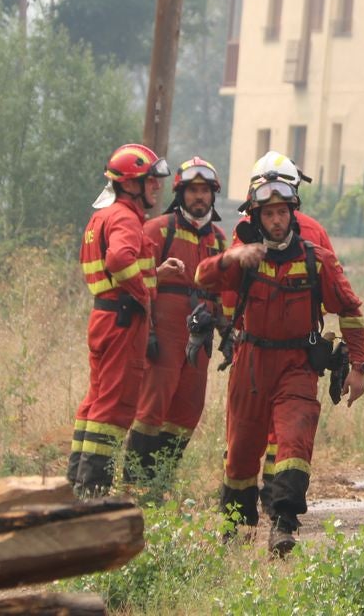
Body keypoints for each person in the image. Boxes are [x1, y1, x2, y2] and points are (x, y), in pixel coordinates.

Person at [196, 168, 364, 557]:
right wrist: (232, 257)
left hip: (297, 365)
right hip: (251, 365)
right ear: (257, 218)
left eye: (283, 213)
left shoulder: (316, 261)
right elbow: (201, 277)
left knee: (294, 441)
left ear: (293, 214)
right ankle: (236, 530)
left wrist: (359, 366)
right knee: (241, 453)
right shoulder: (245, 261)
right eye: (268, 214)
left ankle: (284, 523)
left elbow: (350, 310)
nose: (277, 221)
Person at [69, 143, 182, 497]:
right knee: (115, 404)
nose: (157, 187)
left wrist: (154, 274)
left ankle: (76, 481)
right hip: (122, 320)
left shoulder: (101, 216)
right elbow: (119, 260)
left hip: (104, 315)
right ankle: (94, 489)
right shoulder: (124, 217)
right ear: (130, 184)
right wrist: (143, 292)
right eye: (150, 181)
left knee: (95, 400)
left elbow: (115, 266)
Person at [124, 157, 228, 488]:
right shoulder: (158, 230)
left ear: (213, 195)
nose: (199, 198)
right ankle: (134, 482)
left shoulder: (220, 240)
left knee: (187, 411)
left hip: (200, 337)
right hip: (164, 336)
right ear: (180, 194)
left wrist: (229, 332)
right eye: (193, 191)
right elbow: (134, 282)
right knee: (152, 408)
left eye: (205, 191)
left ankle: (160, 481)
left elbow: (227, 292)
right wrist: (147, 332)